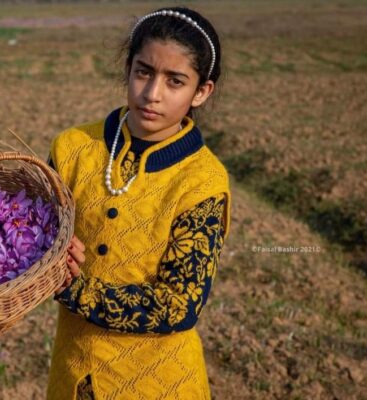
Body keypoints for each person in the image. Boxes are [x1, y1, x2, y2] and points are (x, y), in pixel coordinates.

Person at [46, 6, 231, 399]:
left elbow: (179, 305)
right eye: (143, 72)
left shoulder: (203, 181)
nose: (152, 94)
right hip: (72, 372)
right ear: (128, 69)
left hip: (159, 383)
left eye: (175, 81)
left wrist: (72, 289)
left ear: (202, 91)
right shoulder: (72, 149)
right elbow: (24, 242)